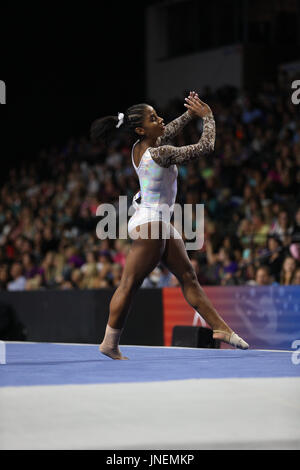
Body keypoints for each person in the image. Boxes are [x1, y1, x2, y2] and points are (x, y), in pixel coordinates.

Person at [90, 92, 249, 360]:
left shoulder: (140, 146)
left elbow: (169, 129)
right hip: (151, 223)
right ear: (141, 129)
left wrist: (190, 113)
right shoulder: (160, 152)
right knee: (129, 284)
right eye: (153, 118)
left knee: (188, 277)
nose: (160, 119)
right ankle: (109, 343)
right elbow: (205, 147)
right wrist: (207, 117)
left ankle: (220, 329)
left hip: (156, 220)